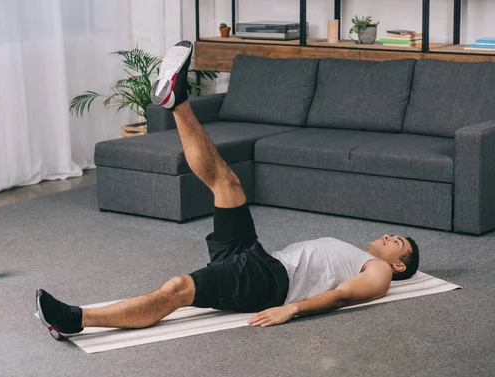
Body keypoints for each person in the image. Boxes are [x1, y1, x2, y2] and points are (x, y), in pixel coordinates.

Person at [36, 41, 420, 340]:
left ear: (399, 264)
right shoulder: (358, 254)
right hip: (259, 257)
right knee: (226, 182)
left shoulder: (380, 273)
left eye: (398, 242)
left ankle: (76, 319)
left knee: (178, 288)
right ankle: (177, 99)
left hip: (269, 284)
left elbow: (343, 296)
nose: (389, 236)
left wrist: (293, 310)